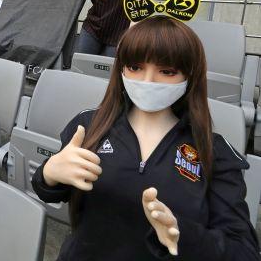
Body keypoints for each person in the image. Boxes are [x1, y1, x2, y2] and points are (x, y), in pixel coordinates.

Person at [32, 15, 261, 260]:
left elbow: (244, 250)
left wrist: (185, 237)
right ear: (121, 68)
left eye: (167, 71)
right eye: (135, 67)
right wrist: (49, 174)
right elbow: (51, 191)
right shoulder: (89, 126)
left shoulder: (215, 153)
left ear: (189, 76)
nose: (148, 81)